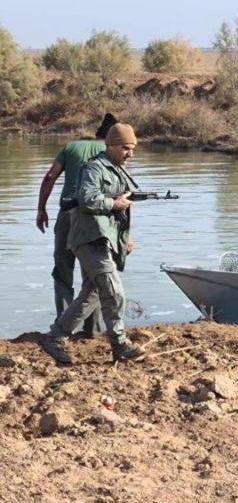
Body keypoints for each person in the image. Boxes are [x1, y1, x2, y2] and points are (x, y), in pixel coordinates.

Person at [42, 123, 145, 364]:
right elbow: (87, 199)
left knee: (92, 294)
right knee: (114, 290)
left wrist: (126, 236)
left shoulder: (119, 169)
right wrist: (113, 204)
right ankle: (120, 344)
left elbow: (124, 206)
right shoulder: (95, 168)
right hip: (88, 239)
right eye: (125, 148)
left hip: (104, 238)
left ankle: (55, 337)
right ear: (110, 146)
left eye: (132, 148)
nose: (129, 153)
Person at [36, 113, 118, 336]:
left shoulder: (71, 147)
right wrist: (125, 234)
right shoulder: (113, 153)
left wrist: (41, 208)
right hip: (95, 219)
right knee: (93, 276)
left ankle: (63, 327)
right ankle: (93, 329)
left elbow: (50, 176)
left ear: (97, 132)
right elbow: (121, 194)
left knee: (63, 272)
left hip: (67, 213)